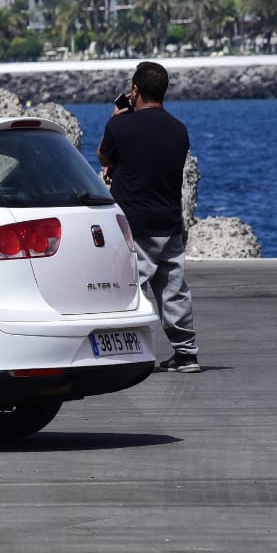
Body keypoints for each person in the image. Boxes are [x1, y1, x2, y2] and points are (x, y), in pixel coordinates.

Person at [97, 60, 197, 373]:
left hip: (134, 223)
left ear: (135, 91)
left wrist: (117, 119)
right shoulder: (179, 130)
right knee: (174, 290)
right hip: (169, 222)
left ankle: (131, 354)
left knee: (130, 288)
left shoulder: (121, 126)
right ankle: (186, 353)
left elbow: (104, 155)